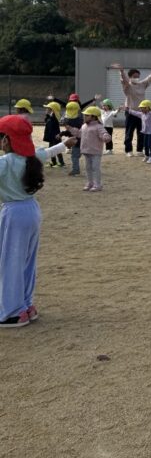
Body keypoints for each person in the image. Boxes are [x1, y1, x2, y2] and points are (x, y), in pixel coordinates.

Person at [0, 115, 73, 327]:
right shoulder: (31, 157)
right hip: (31, 209)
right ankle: (25, 305)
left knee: (10, 262)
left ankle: (12, 312)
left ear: (6, 139)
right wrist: (65, 144)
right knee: (26, 261)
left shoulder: (5, 163)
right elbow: (49, 152)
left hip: (13, 213)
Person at [111, 62, 151, 157]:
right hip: (130, 112)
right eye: (135, 76)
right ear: (130, 77)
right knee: (129, 132)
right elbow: (124, 80)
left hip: (141, 112)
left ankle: (140, 149)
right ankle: (128, 150)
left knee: (141, 131)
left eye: (138, 76)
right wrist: (121, 71)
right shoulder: (127, 86)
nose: (137, 78)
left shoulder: (142, 84)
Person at [78, 105, 112, 191]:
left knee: (95, 168)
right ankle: (90, 183)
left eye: (87, 115)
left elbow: (104, 133)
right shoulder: (84, 126)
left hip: (95, 152)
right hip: (86, 151)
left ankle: (98, 184)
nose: (85, 116)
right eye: (85, 115)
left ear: (94, 117)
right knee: (88, 168)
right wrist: (71, 130)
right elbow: (79, 134)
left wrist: (106, 136)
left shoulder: (98, 126)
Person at [60, 100, 83, 176]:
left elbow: (74, 132)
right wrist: (62, 133)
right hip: (79, 140)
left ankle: (76, 170)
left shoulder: (71, 120)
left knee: (74, 156)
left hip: (77, 141)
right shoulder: (80, 118)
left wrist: (65, 130)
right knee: (77, 155)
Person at [42, 102, 64, 168]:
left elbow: (51, 125)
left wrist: (49, 117)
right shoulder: (50, 117)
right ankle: (54, 162)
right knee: (52, 149)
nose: (46, 110)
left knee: (57, 149)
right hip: (51, 137)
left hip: (55, 137)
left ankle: (61, 163)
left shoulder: (54, 118)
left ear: (52, 110)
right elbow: (46, 121)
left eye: (48, 109)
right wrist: (47, 115)